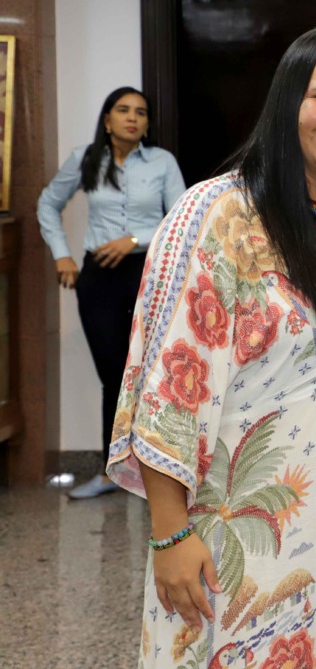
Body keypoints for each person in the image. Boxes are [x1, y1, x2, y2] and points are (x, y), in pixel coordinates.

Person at [106, 23, 316, 667]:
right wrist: (169, 535)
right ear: (286, 102)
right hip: (228, 545)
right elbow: (166, 388)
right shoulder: (216, 214)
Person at [37, 86, 185, 500]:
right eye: (123, 110)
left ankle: (161, 473)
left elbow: (179, 220)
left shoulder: (162, 162)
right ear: (107, 119)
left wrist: (133, 239)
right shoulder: (85, 159)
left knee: (154, 375)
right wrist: (62, 255)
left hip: (150, 275)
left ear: (147, 124)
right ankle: (111, 472)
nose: (132, 118)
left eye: (140, 112)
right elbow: (47, 204)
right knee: (114, 377)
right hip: (98, 279)